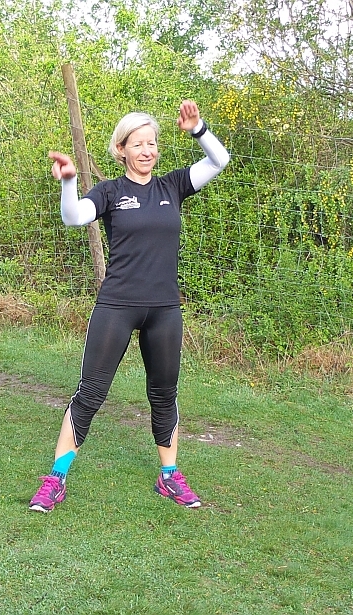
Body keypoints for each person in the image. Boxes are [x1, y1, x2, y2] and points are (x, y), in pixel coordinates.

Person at [30, 100, 230, 512]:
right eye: (138, 144)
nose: (147, 151)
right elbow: (74, 217)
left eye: (152, 143)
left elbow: (219, 159)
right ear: (121, 149)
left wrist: (198, 129)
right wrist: (69, 181)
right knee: (90, 393)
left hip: (164, 310)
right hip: (117, 306)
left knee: (164, 394)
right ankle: (56, 479)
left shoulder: (172, 186)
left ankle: (170, 477)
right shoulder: (109, 192)